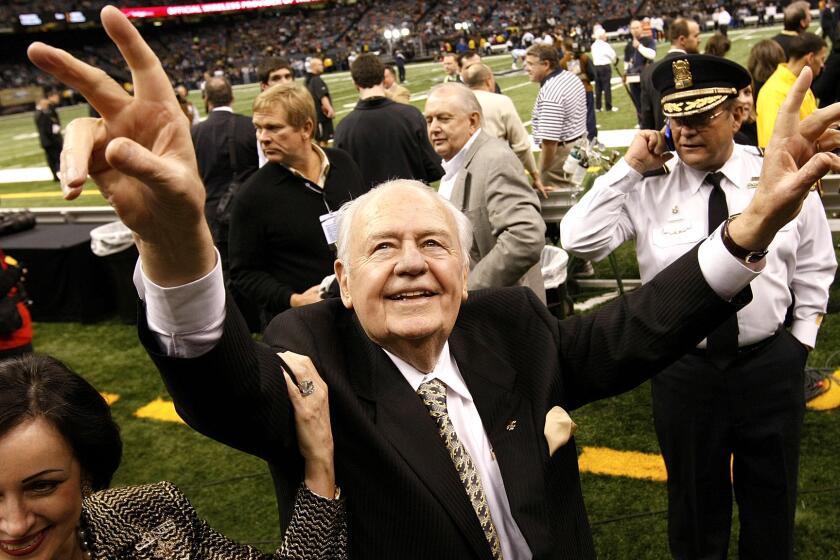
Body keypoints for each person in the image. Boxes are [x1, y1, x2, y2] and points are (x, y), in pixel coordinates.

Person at [28, 6, 840, 558]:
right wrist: (174, 240)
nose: (413, 261)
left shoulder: (510, 328)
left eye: (433, 243)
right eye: (384, 247)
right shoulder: (312, 355)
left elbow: (642, 322)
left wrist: (746, 231)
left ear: (462, 264)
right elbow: (217, 383)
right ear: (341, 274)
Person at [561, 54, 836, 560]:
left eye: (700, 116)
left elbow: (816, 264)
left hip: (769, 364)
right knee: (692, 508)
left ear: (737, 114)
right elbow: (579, 239)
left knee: (771, 501)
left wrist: (799, 341)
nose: (684, 131)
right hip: (683, 369)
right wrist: (628, 169)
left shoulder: (776, 172)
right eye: (675, 117)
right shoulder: (649, 184)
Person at [0, 353, 345, 559]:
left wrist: (319, 461)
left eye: (42, 486)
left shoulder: (153, 514)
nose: (15, 525)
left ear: (86, 472)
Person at [228, 82, 366, 323]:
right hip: (305, 323)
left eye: (273, 128)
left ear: (306, 128)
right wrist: (293, 299)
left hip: (361, 307)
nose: (263, 138)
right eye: (258, 128)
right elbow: (244, 273)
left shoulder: (343, 163)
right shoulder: (252, 195)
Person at [424, 83, 545, 297]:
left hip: (502, 315)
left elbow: (525, 238)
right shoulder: (457, 163)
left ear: (472, 122)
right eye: (429, 120)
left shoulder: (494, 159)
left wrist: (466, 291)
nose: (433, 128)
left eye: (444, 118)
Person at [334, 54, 442, 190]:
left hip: (370, 208)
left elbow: (343, 182)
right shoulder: (411, 115)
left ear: (355, 83)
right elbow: (435, 168)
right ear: (383, 78)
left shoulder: (343, 128)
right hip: (414, 202)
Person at [191, 76, 258, 267]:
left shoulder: (195, 133)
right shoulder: (251, 126)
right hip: (250, 210)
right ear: (232, 97)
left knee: (224, 271)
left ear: (206, 99)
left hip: (213, 214)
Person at [462, 63, 545, 197]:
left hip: (464, 174)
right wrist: (535, 175)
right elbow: (521, 145)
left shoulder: (458, 103)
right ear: (489, 80)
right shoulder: (500, 101)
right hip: (497, 172)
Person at [525, 44, 587, 190]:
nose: (527, 68)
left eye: (530, 64)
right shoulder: (570, 77)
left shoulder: (551, 92)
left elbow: (549, 142)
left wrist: (540, 173)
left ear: (546, 64)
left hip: (560, 155)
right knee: (573, 194)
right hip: (578, 145)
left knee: (558, 204)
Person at [757, 32, 827, 147]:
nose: (822, 65)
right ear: (810, 58)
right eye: (822, 59)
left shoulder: (798, 82)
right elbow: (774, 146)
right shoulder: (774, 92)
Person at [639, 17, 701, 131]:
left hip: (661, 144)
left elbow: (646, 120)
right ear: (682, 39)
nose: (699, 40)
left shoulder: (648, 71)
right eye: (696, 36)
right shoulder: (691, 66)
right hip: (690, 141)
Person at [256, 57, 295, 167]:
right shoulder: (263, 120)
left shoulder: (300, 110)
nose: (284, 82)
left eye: (287, 76)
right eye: (276, 78)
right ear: (264, 86)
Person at [624, 20, 656, 124]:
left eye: (637, 27)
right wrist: (625, 73)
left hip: (646, 77)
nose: (635, 30)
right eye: (633, 28)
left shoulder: (648, 40)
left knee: (648, 103)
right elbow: (627, 61)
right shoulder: (629, 46)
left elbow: (652, 55)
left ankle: (651, 123)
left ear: (641, 28)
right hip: (633, 78)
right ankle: (641, 123)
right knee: (637, 103)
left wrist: (639, 47)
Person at [304, 57, 335, 147]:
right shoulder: (316, 80)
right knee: (323, 141)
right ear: (314, 66)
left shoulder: (307, 80)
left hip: (313, 115)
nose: (322, 66)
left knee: (319, 140)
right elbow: (322, 96)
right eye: (320, 65)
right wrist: (330, 109)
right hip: (321, 117)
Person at [34, 89, 62, 182]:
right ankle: (56, 175)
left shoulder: (43, 112)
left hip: (50, 140)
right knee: (54, 159)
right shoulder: (40, 114)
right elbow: (45, 128)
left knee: (55, 158)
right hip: (48, 141)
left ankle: (57, 175)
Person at [591, 30, 618, 113]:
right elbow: (612, 55)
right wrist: (614, 61)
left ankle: (598, 107)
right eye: (604, 35)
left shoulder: (593, 45)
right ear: (601, 36)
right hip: (605, 66)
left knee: (598, 88)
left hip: (596, 67)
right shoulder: (605, 45)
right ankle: (608, 107)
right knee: (607, 87)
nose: (605, 36)